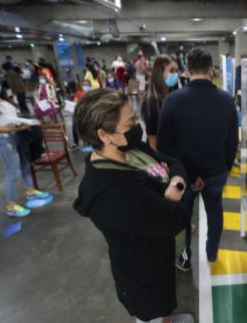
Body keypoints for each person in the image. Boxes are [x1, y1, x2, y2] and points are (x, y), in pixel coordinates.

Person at [72, 89, 192, 323]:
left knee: (164, 305)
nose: (138, 126)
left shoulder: (130, 148)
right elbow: (176, 217)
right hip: (143, 272)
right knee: (153, 313)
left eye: (135, 118)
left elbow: (172, 162)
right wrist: (176, 191)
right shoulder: (110, 190)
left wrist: (175, 185)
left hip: (160, 254)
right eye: (131, 122)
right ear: (105, 135)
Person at [157, 49, 239, 270]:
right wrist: (227, 167)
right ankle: (212, 253)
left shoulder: (173, 100)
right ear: (211, 69)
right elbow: (232, 141)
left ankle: (185, 258)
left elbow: (164, 146)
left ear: (187, 70)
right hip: (216, 172)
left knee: (183, 217)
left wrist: (190, 174)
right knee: (215, 212)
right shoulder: (226, 100)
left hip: (183, 174)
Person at [0, 70, 50, 217]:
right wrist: (17, 127)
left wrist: (21, 123)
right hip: (4, 141)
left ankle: (31, 192)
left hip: (17, 136)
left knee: (25, 165)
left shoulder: (1, 97)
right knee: (13, 173)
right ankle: (11, 206)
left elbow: (9, 117)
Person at [140, 55, 178, 150]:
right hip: (161, 153)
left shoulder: (171, 93)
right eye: (171, 70)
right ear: (160, 73)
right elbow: (152, 140)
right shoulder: (151, 101)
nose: (175, 74)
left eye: (176, 71)